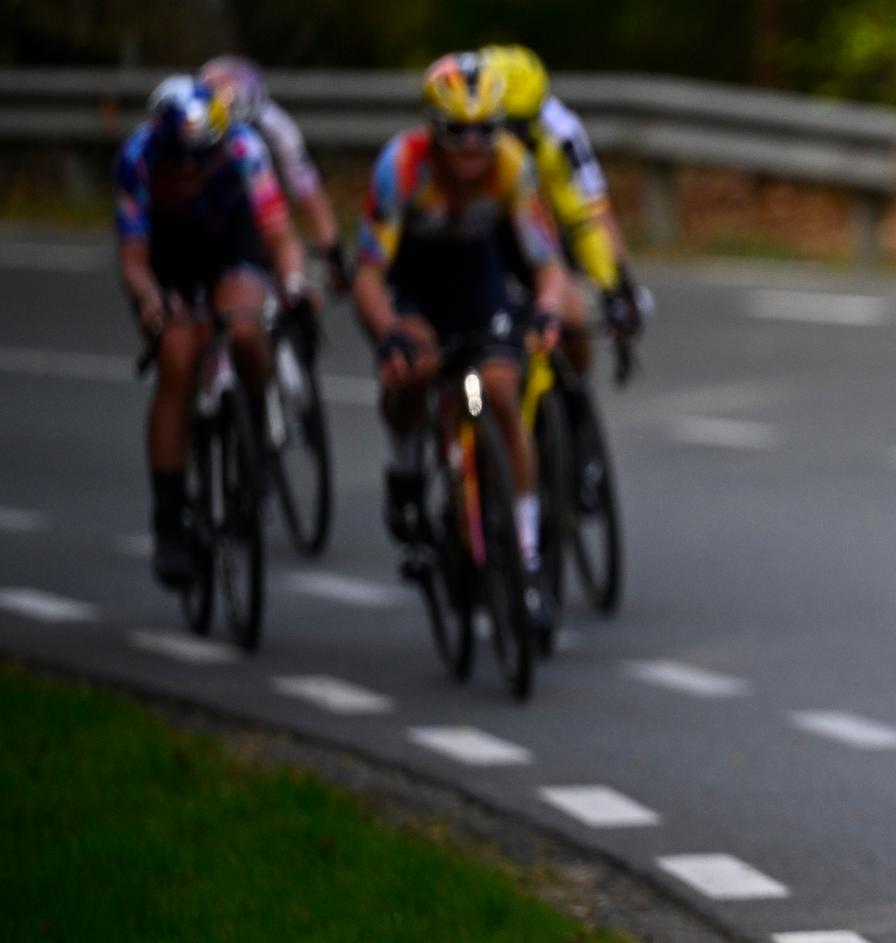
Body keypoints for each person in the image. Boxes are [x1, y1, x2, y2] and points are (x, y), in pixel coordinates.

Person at [352, 52, 568, 633]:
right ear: (432, 127)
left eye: (485, 131)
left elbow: (547, 266)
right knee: (415, 371)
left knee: (495, 390)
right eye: (457, 132)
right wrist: (389, 332)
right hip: (415, 288)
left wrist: (548, 312)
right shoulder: (401, 167)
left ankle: (523, 557)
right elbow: (368, 274)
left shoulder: (512, 166)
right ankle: (405, 473)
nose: (472, 147)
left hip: (477, 283)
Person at [116, 76, 309, 588]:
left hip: (231, 244)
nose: (189, 169)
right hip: (169, 256)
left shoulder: (246, 150)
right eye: (178, 158)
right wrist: (151, 300)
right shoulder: (137, 158)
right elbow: (133, 258)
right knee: (178, 359)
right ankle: (169, 516)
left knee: (246, 331)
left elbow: (279, 236)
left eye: (202, 157)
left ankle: (255, 442)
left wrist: (292, 283)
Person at [480, 43, 644, 375]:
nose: (512, 143)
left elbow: (589, 215)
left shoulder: (558, 135)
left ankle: (576, 401)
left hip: (541, 233)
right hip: (483, 237)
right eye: (502, 129)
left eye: (522, 128)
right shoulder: (464, 144)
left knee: (572, 317)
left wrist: (616, 286)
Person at [199, 55, 351, 299]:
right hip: (214, 210)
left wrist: (333, 253)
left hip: (266, 208)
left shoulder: (277, 128)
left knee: (299, 289)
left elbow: (307, 191)